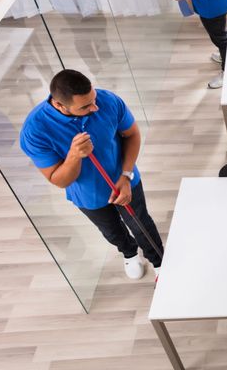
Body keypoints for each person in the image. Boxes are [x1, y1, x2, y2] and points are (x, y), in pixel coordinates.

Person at [19, 70, 164, 280]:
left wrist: (125, 176)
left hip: (124, 179)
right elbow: (59, 180)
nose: (95, 108)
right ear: (60, 105)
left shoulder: (107, 100)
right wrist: (74, 156)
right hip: (88, 194)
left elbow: (131, 134)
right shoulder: (35, 131)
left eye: (93, 99)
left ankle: (159, 262)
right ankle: (130, 253)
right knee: (112, 231)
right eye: (85, 107)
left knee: (141, 223)